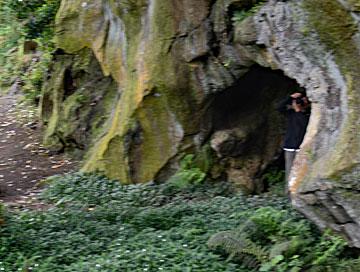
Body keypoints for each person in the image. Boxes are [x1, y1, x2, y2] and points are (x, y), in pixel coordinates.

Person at [277, 92, 311, 193]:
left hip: (302, 148)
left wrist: (299, 111)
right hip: (290, 147)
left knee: (302, 172)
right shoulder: (291, 113)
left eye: (304, 100)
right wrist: (290, 97)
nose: (301, 102)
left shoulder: (309, 114)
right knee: (289, 171)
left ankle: (300, 194)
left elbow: (304, 125)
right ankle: (289, 195)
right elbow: (279, 108)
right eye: (300, 100)